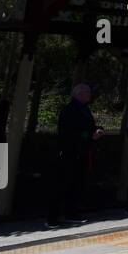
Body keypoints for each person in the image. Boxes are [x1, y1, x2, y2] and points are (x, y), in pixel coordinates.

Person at [46, 83, 102, 228]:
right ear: (79, 94)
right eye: (87, 92)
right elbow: (68, 132)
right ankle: (52, 217)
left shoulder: (85, 109)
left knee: (76, 184)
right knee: (63, 184)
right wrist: (90, 136)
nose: (90, 95)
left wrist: (97, 130)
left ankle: (71, 213)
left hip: (82, 152)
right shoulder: (70, 110)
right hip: (69, 151)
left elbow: (88, 127)